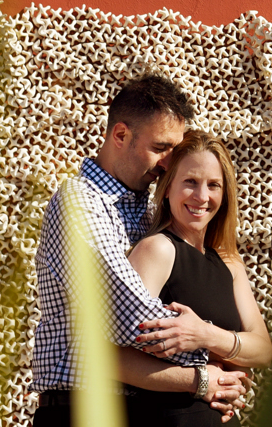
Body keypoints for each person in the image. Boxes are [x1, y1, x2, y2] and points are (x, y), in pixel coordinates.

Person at [31, 75, 250, 426]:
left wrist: (220, 354)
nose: (167, 163)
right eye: (161, 148)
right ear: (120, 136)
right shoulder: (80, 203)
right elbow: (130, 318)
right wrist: (218, 362)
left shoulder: (145, 211)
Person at [120, 130, 272, 427]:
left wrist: (204, 335)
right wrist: (201, 380)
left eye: (213, 185)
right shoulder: (158, 250)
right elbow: (113, 358)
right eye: (190, 182)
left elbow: (263, 350)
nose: (202, 196)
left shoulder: (230, 264)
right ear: (167, 188)